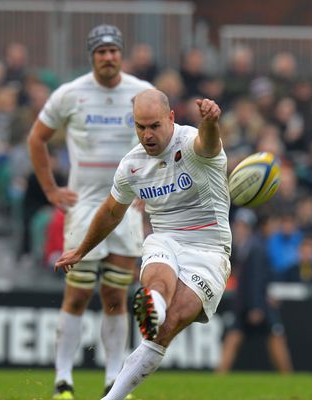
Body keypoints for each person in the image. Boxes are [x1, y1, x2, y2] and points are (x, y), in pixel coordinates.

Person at [55, 89, 232, 400]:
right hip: (165, 238)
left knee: (169, 325)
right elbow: (111, 211)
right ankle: (153, 305)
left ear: (171, 119)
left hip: (209, 250)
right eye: (140, 126)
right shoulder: (132, 165)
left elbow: (208, 143)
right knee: (158, 278)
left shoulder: (192, 143)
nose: (147, 135)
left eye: (154, 126)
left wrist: (210, 122)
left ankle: (156, 312)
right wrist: (82, 250)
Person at [27, 24, 153, 400]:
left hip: (126, 206)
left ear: (121, 54)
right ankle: (63, 381)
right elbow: (37, 138)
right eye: (101, 51)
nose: (109, 56)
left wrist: (149, 186)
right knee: (78, 294)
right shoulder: (70, 94)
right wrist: (50, 189)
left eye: (114, 50)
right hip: (83, 206)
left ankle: (115, 380)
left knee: (116, 294)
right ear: (92, 56)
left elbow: (158, 140)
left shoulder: (141, 93)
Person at [216, 209, 293, 374]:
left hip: (257, 303)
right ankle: (218, 376)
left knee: (275, 337)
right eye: (237, 225)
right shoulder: (242, 247)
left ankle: (288, 376)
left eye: (243, 226)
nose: (239, 229)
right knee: (235, 337)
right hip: (246, 303)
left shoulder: (255, 247)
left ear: (250, 228)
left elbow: (257, 279)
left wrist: (256, 306)